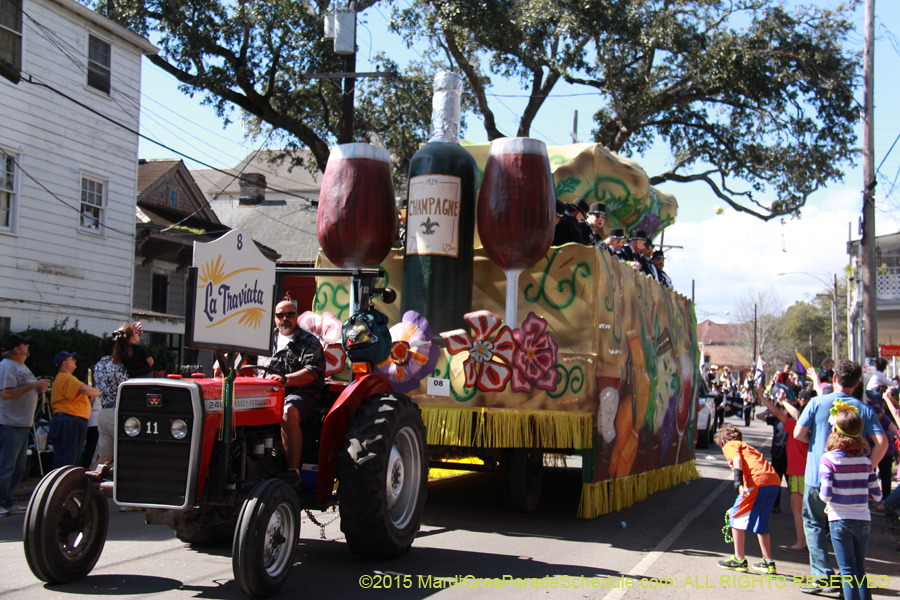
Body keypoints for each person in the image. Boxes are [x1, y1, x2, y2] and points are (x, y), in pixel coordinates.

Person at [793, 360, 887, 594]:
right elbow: (882, 443)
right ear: (857, 383)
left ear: (834, 377)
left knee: (814, 522)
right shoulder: (864, 409)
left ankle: (822, 574)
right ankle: (850, 581)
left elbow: (798, 433)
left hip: (817, 475)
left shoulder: (816, 402)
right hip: (852, 484)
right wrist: (867, 467)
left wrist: (815, 443)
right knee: (852, 543)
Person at [258, 298, 326, 480]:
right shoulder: (262, 339)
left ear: (296, 316)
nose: (284, 318)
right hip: (264, 394)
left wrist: (286, 379)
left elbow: (314, 371)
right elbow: (243, 357)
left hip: (300, 394)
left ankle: (292, 472)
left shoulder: (308, 341)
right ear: (274, 318)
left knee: (287, 412)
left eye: (289, 314)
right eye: (280, 315)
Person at [818, 407, 881, 600]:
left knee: (846, 570)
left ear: (835, 431)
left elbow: (826, 494)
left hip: (839, 520)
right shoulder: (865, 461)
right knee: (859, 569)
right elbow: (877, 495)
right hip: (863, 519)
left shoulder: (828, 459)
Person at [715, 424, 781, 574]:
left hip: (757, 482)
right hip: (773, 481)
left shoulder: (730, 445)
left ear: (723, 442)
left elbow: (737, 460)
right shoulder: (747, 447)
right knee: (761, 522)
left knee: (736, 517)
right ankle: (768, 562)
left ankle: (739, 559)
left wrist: (737, 483)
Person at [0, 334, 50, 517]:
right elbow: (6, 393)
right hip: (10, 422)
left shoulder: (21, 366)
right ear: (16, 349)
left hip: (22, 423)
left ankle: (8, 501)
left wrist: (37, 388)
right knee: (6, 465)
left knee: (19, 467)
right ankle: (1, 501)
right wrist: (33, 385)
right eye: (24, 344)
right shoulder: (6, 366)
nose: (28, 346)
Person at [757, 384, 809, 553]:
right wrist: (780, 401)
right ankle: (804, 541)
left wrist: (770, 399)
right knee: (800, 508)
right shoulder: (804, 426)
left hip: (799, 472)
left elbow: (781, 413)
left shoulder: (799, 427)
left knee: (798, 509)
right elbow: (785, 414)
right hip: (799, 471)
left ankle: (802, 542)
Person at [49, 351, 101, 469]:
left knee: (66, 459)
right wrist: (104, 393)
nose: (75, 361)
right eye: (72, 359)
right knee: (67, 461)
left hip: (66, 420)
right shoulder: (66, 377)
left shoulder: (63, 378)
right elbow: (85, 389)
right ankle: (62, 486)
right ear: (64, 363)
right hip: (70, 421)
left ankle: (61, 484)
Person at [91, 337, 127, 468]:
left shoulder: (98, 366)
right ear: (113, 349)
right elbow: (126, 382)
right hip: (117, 412)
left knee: (104, 457)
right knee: (124, 454)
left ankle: (88, 484)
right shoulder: (116, 365)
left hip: (104, 411)